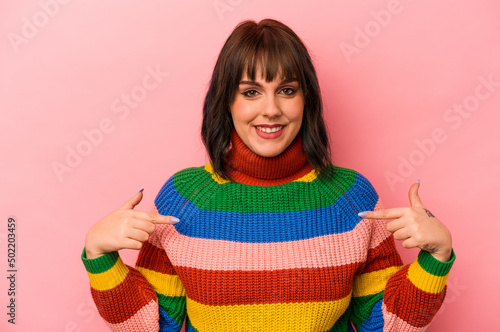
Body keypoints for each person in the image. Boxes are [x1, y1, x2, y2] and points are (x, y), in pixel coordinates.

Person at [81, 18, 455, 331]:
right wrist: (99, 254)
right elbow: (155, 325)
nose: (271, 109)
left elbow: (382, 325)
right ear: (226, 101)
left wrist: (436, 256)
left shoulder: (351, 197)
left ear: (306, 100)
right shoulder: (184, 198)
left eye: (287, 90)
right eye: (251, 92)